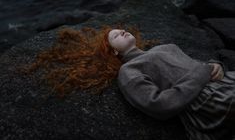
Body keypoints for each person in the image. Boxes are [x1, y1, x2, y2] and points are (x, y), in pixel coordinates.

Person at [19, 24, 235, 140]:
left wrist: (215, 65)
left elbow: (198, 66)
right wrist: (203, 73)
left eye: (120, 30)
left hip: (224, 82)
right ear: (113, 50)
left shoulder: (164, 47)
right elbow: (157, 104)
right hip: (207, 101)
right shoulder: (128, 71)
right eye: (116, 36)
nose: (122, 30)